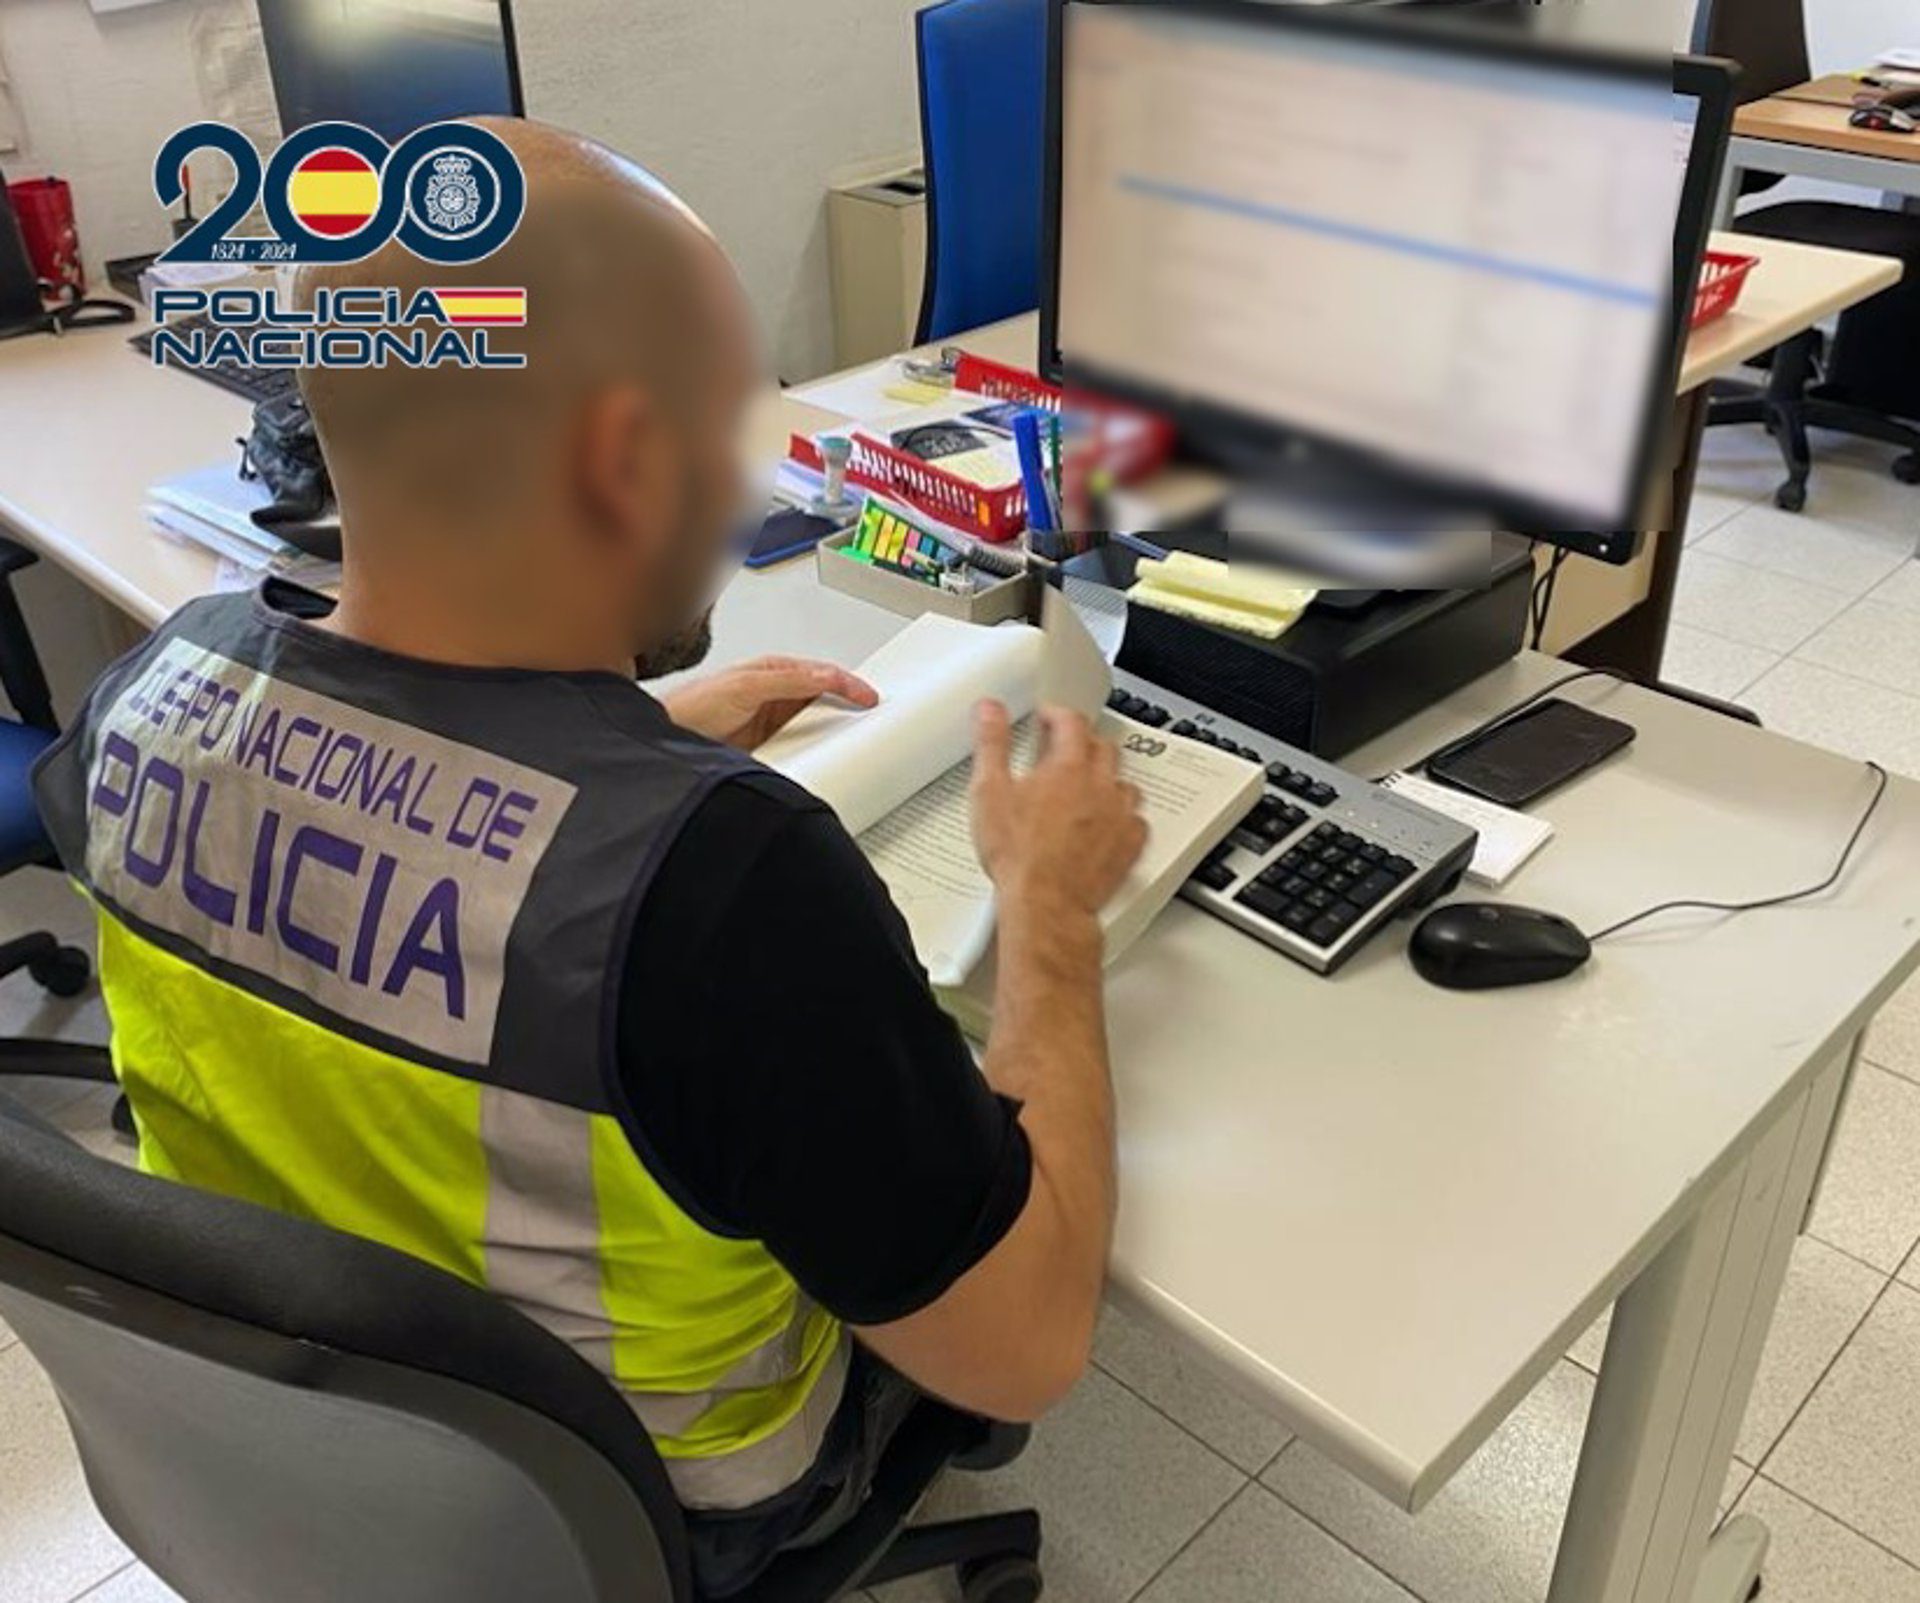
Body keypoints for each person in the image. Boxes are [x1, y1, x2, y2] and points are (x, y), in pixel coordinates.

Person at [32, 119, 1145, 1596]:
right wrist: (1050, 906)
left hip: (322, 1438)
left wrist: (615, 744)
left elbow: (335, 838)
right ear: (624, 458)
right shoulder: (732, 890)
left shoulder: (153, 689)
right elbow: (1026, 1348)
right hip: (665, 1498)